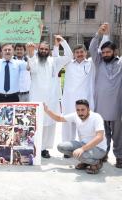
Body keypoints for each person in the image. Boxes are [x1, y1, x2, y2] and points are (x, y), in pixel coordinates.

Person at [26, 35, 73, 158]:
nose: (43, 51)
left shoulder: (55, 61)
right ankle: (34, 147)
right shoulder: (34, 59)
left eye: (46, 49)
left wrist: (62, 41)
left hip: (51, 99)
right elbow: (32, 69)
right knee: (36, 124)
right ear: (39, 49)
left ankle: (44, 149)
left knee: (49, 125)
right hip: (36, 98)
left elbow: (69, 56)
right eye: (41, 49)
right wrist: (31, 53)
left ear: (49, 51)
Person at [44, 99, 107, 174]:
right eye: (78, 110)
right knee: (61, 147)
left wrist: (82, 149)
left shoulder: (96, 117)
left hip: (98, 149)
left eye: (83, 110)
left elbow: (100, 137)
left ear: (88, 109)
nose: (80, 112)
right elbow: (59, 118)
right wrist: (47, 110)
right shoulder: (75, 115)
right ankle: (86, 161)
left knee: (80, 155)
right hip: (83, 144)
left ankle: (96, 162)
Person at [90, 23, 122, 168]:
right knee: (102, 134)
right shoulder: (99, 62)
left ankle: (120, 157)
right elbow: (92, 48)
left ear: (114, 52)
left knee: (118, 135)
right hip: (101, 106)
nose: (105, 55)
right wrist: (99, 34)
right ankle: (103, 154)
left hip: (117, 106)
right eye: (103, 52)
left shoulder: (121, 63)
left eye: (108, 52)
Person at [60, 44, 94, 152]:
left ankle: (85, 149)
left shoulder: (91, 64)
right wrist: (63, 42)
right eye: (77, 52)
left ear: (86, 53)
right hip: (69, 100)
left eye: (81, 52)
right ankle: (67, 150)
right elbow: (57, 57)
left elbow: (97, 49)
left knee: (85, 126)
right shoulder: (68, 63)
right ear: (73, 54)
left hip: (85, 101)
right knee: (68, 125)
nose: (79, 54)